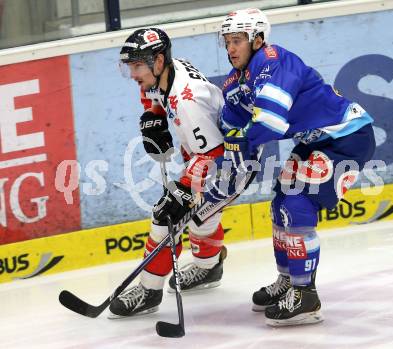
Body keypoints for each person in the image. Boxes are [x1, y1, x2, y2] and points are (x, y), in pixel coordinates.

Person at [155, 8, 376, 327]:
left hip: (347, 138)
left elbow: (270, 123)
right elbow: (229, 136)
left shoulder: (276, 62)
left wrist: (238, 143)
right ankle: (288, 282)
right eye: (227, 42)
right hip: (316, 142)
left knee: (298, 203)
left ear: (257, 39)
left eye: (237, 41)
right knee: (280, 206)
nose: (230, 49)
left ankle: (306, 296)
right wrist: (210, 190)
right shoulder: (235, 82)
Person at [109, 27, 228, 318]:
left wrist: (186, 188)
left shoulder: (186, 102)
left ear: (158, 61)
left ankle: (149, 291)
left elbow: (214, 155)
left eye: (137, 65)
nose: (133, 73)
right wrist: (153, 115)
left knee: (166, 215)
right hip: (209, 154)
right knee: (201, 218)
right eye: (130, 66)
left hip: (230, 163)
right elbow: (151, 94)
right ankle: (209, 266)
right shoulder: (165, 72)